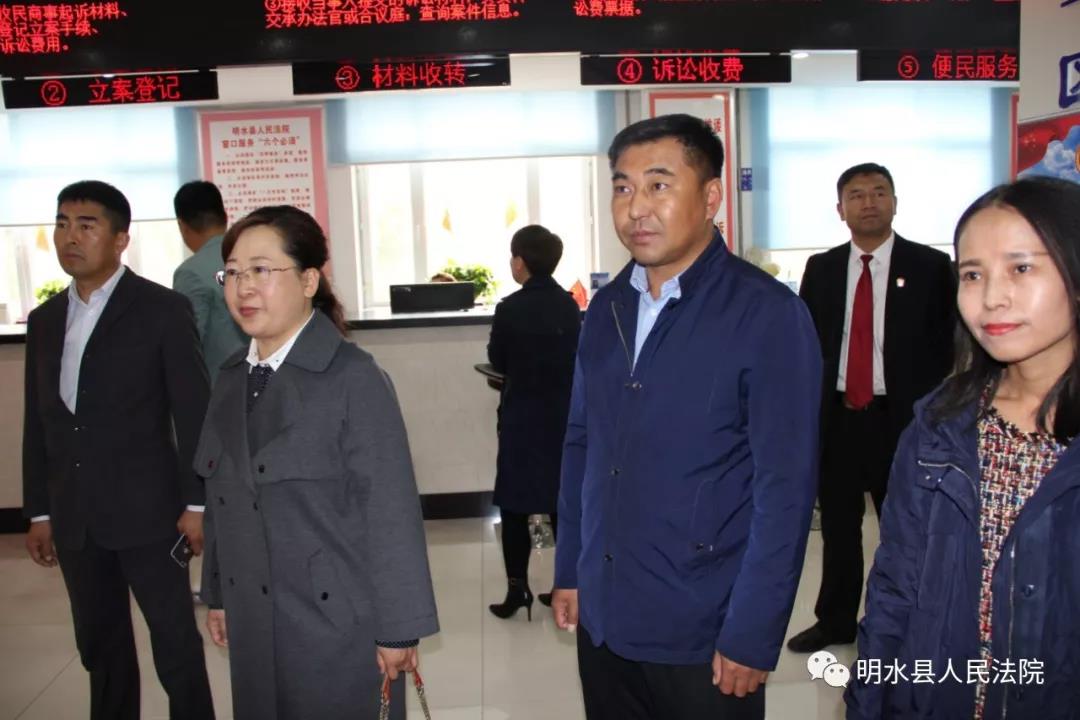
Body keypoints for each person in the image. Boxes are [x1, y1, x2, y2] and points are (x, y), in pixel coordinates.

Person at [552, 113, 822, 719]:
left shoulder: (767, 315)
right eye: (622, 187)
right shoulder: (607, 310)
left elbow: (785, 491)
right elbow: (581, 444)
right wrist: (570, 567)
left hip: (704, 626)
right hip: (605, 615)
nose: (636, 208)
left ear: (711, 196)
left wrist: (752, 631)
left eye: (659, 185)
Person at [846, 177, 1080, 718]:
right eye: (973, 274)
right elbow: (895, 590)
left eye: (1021, 268)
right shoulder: (940, 426)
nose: (991, 297)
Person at [195, 205, 439, 720]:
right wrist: (218, 594)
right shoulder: (231, 378)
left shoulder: (353, 378)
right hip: (253, 616)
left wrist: (399, 628)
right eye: (232, 273)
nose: (243, 287)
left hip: (334, 622)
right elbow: (222, 500)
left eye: (261, 270)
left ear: (308, 281)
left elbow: (391, 511)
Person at [22, 180, 215, 719]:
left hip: (150, 514)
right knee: (100, 647)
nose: (70, 237)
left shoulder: (162, 310)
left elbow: (192, 412)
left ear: (121, 239)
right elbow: (39, 424)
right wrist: (39, 510)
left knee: (175, 645)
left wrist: (197, 502)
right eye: (62, 224)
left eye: (87, 226)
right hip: (76, 517)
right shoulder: (44, 321)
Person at [788, 163, 956, 654]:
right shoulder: (822, 268)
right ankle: (835, 621)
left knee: (905, 527)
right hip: (839, 416)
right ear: (840, 210)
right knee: (838, 528)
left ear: (895, 203)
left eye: (879, 192)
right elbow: (807, 343)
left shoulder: (930, 266)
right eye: (857, 195)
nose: (868, 202)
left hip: (903, 419)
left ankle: (910, 622)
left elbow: (949, 342)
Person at [487, 224, 581, 620]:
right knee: (562, 503)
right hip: (563, 419)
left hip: (522, 419)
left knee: (514, 505)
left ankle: (517, 590)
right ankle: (565, 585)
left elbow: (498, 360)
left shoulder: (510, 308)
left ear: (519, 262)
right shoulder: (570, 306)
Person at [173, 180, 247, 386]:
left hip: (221, 388)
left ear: (182, 225)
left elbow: (188, 345)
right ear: (225, 217)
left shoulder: (191, 272)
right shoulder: (255, 257)